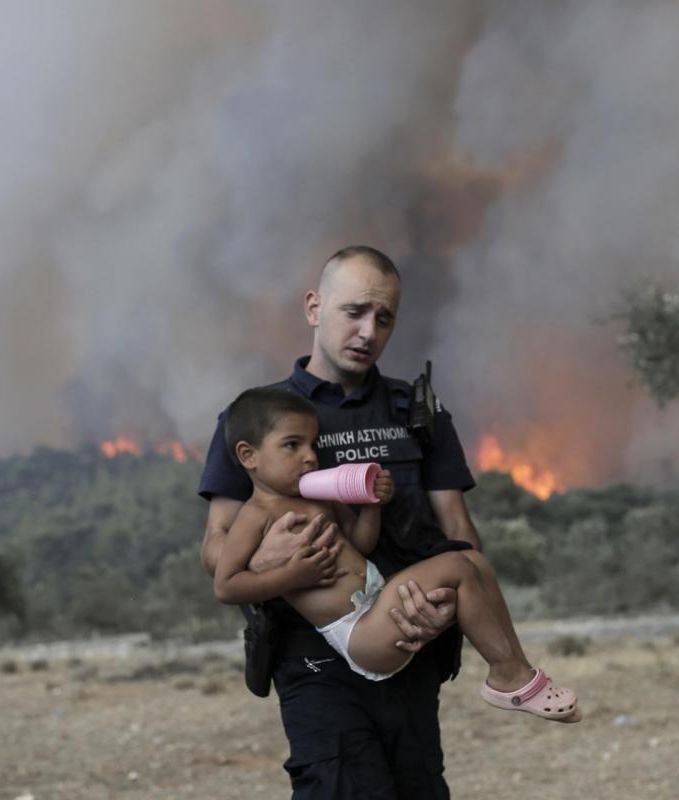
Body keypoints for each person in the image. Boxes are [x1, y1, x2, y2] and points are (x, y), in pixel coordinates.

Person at [198, 245, 481, 798]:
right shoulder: (259, 416)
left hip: (409, 644)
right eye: (354, 312)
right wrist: (270, 557)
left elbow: (459, 530)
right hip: (314, 657)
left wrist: (445, 609)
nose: (368, 331)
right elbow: (215, 545)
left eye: (384, 318)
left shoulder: (418, 411)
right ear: (314, 307)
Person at [212, 387, 580, 722]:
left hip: (378, 601)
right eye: (293, 445)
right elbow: (226, 586)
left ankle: (514, 667)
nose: (310, 457)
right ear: (249, 455)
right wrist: (292, 577)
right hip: (357, 632)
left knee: (472, 562)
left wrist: (372, 504)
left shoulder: (320, 496)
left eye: (313, 444)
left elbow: (361, 544)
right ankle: (508, 676)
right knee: (456, 565)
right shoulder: (255, 515)